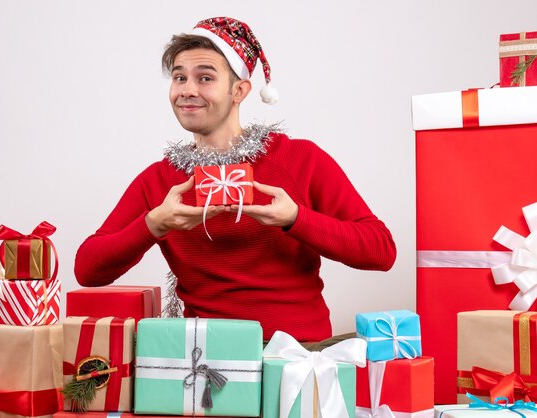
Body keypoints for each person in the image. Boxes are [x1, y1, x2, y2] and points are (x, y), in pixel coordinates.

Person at [74, 17, 396, 344]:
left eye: (205, 78)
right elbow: (87, 269)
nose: (187, 90)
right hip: (203, 360)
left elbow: (381, 250)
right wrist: (154, 223)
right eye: (179, 77)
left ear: (239, 90)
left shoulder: (299, 159)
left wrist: (296, 218)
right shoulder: (159, 180)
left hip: (296, 353)